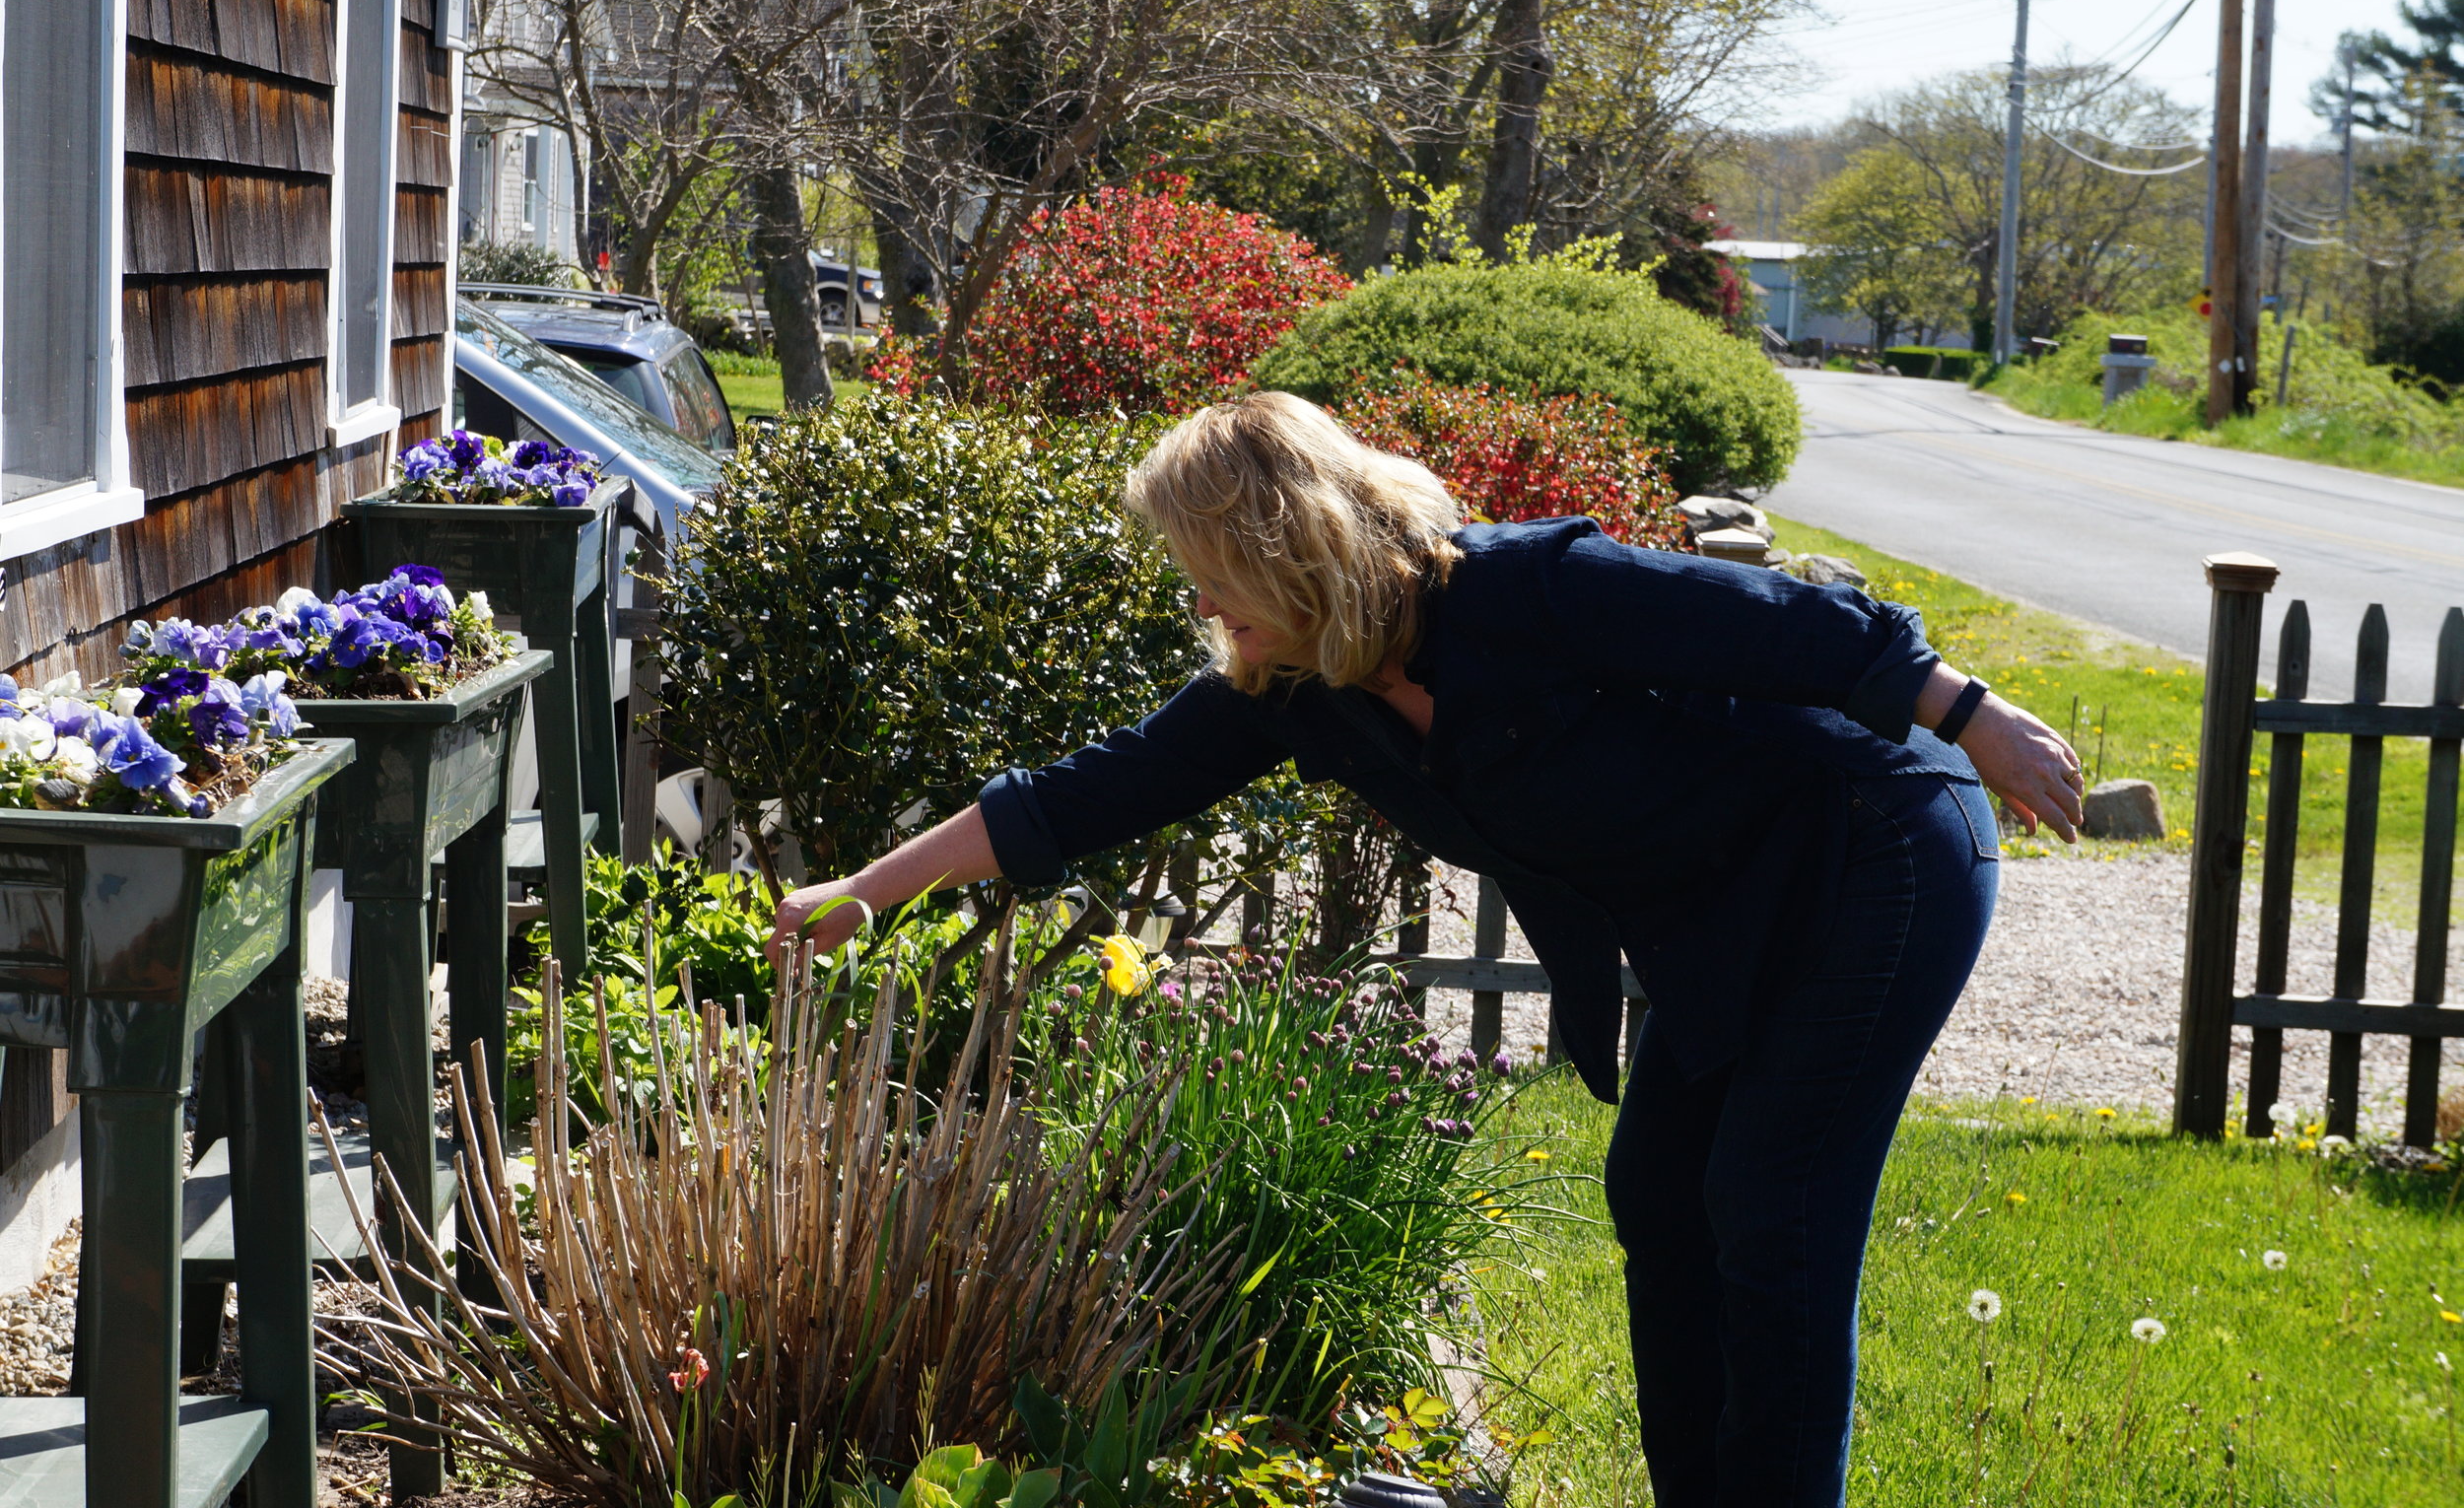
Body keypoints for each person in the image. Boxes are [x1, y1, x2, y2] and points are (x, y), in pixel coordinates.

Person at [767, 390, 2083, 1507]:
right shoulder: (1293, 691)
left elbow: (1780, 622)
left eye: (1211, 570)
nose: (1201, 601)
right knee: (1664, 1197)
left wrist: (1974, 713)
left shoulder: (1520, 590)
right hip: (1721, 899)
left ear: (1284, 550)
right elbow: (1084, 793)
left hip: (1876, 844)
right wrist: (868, 891)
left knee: (1771, 1205)